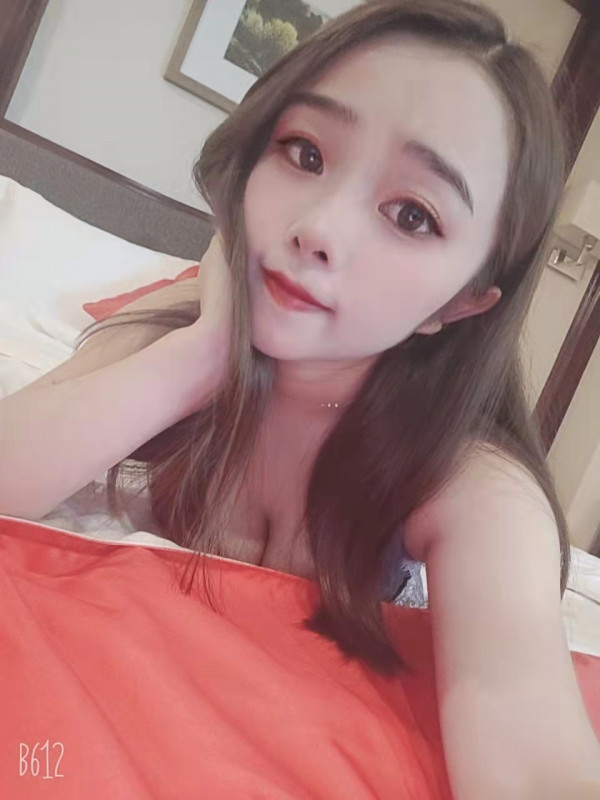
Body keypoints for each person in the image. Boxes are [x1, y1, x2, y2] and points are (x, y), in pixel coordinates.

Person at [1, 1, 599, 797]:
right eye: (305, 152)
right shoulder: (169, 334)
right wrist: (199, 359)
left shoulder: (468, 483)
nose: (319, 226)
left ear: (459, 303)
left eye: (412, 215)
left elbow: (528, 741)